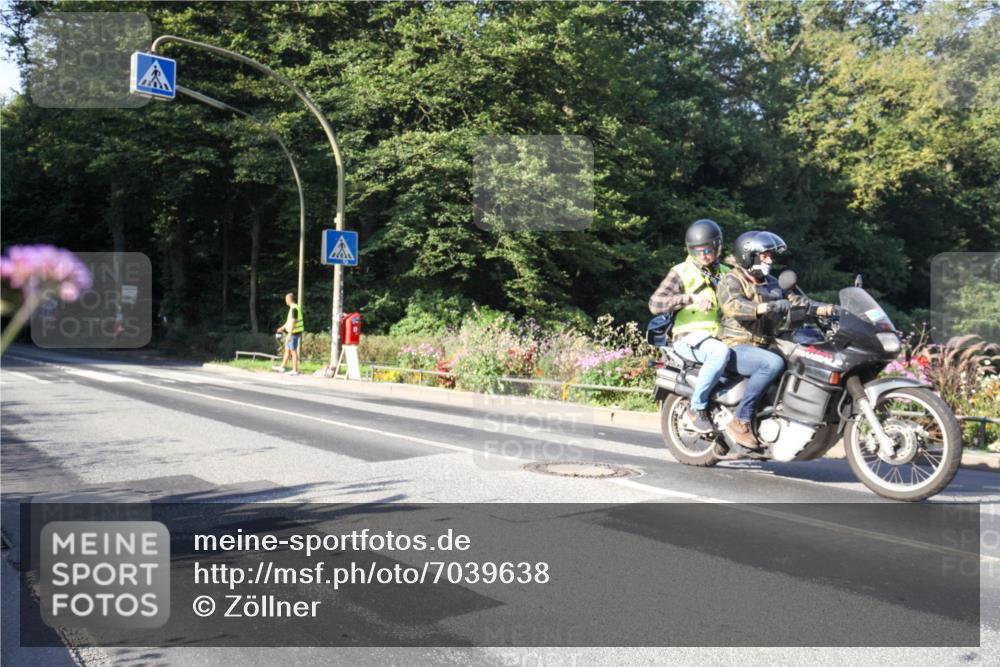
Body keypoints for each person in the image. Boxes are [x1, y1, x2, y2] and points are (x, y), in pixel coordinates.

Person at [717, 231, 834, 449]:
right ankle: (740, 420)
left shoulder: (771, 283)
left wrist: (829, 309)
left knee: (804, 357)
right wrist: (766, 307)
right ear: (749, 256)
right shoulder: (731, 280)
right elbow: (733, 305)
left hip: (765, 344)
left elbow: (797, 301)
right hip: (736, 346)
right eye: (765, 256)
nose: (770, 260)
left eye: (771, 256)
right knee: (772, 363)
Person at [649, 219, 732, 433]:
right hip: (688, 337)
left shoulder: (726, 273)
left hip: (721, 335)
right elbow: (655, 304)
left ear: (717, 247)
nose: (702, 255)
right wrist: (688, 298)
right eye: (696, 251)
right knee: (719, 353)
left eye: (707, 250)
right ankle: (697, 407)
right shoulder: (681, 272)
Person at [273, 293, 304, 376]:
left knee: (293, 351)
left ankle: (295, 370)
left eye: (286, 299)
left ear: (289, 299)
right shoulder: (292, 308)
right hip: (291, 332)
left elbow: (294, 322)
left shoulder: (294, 309)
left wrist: (290, 334)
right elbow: (289, 322)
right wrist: (282, 328)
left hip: (294, 333)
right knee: (287, 350)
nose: (285, 300)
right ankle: (282, 367)